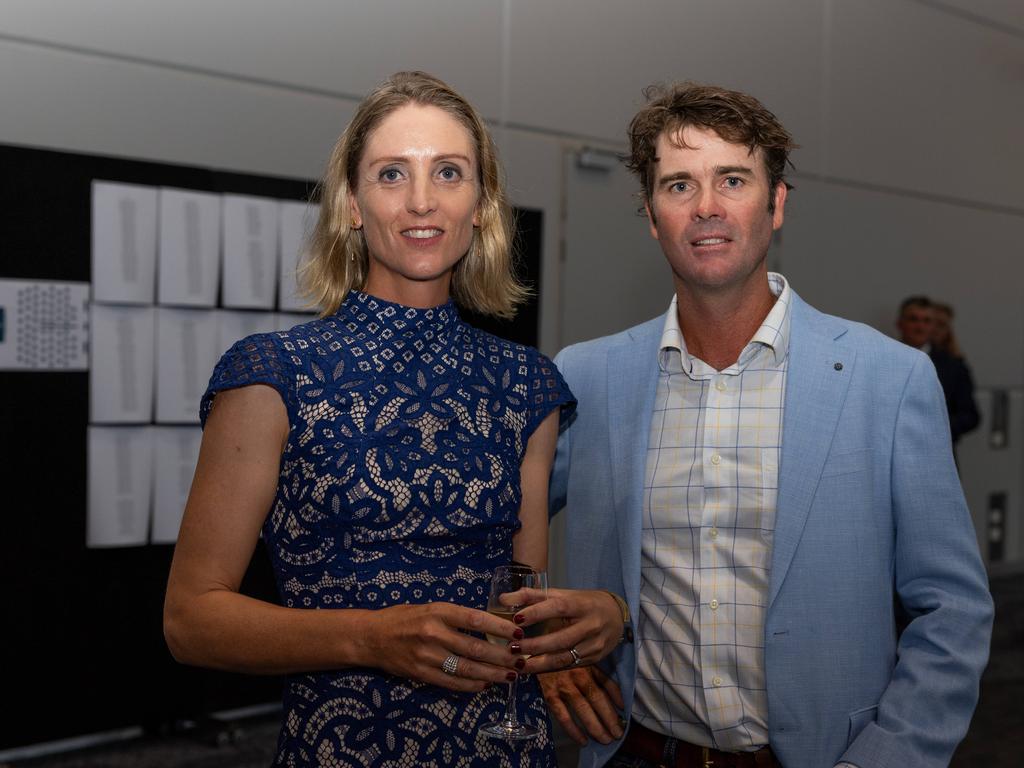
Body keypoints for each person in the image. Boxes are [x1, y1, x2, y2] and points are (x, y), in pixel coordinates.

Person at [519, 82, 994, 768]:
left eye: (732, 179)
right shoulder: (588, 379)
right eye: (679, 185)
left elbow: (952, 610)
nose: (706, 207)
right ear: (653, 216)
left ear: (775, 205)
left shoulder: (887, 380)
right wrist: (542, 648)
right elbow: (484, 531)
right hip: (638, 753)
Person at [163, 71, 577, 767]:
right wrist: (369, 638)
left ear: (481, 204)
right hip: (344, 748)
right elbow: (191, 620)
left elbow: (519, 599)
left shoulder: (526, 386)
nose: (422, 200)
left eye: (449, 172)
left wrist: (580, 631)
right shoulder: (274, 375)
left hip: (504, 748)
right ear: (352, 205)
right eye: (392, 174)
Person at [897, 296, 980, 450]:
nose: (920, 326)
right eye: (913, 319)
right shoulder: (883, 359)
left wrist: (934, 427)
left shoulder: (953, 365)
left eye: (927, 321)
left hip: (937, 450)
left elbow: (970, 416)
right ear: (900, 323)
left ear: (933, 327)